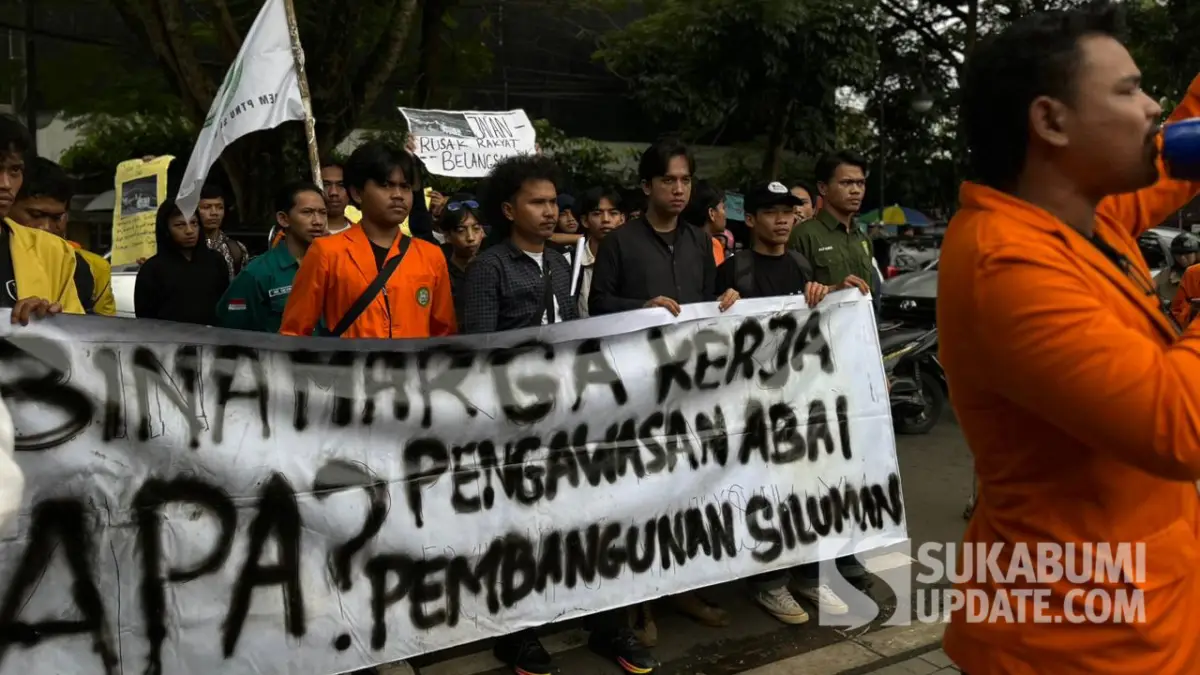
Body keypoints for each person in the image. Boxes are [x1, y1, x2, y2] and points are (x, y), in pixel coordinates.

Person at [939, 4, 1200, 674]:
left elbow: (1179, 156)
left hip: (1146, 616)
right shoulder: (1007, 266)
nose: (1154, 108)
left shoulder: (1083, 217)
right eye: (1129, 90)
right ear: (1051, 121)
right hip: (1074, 641)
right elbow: (1179, 427)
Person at [280, 141, 455, 339]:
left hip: (413, 360)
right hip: (349, 359)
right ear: (357, 193)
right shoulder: (326, 252)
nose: (398, 195)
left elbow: (444, 336)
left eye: (405, 187)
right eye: (385, 185)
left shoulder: (431, 256)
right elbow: (293, 334)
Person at [589, 139, 739, 317]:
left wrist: (724, 299)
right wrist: (642, 307)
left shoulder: (701, 241)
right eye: (669, 180)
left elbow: (708, 298)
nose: (679, 190)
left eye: (686, 180)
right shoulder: (617, 242)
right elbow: (598, 303)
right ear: (647, 186)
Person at [460, 155, 577, 334]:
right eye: (537, 203)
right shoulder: (489, 268)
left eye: (553, 202)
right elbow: (481, 341)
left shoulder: (559, 263)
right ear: (509, 210)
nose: (549, 212)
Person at [0, 114, 84, 322]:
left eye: (15, 170)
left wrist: (52, 322)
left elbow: (77, 333)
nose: (6, 184)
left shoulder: (54, 252)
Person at [216, 182, 328, 332]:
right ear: (283, 219)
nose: (318, 221)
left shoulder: (334, 267)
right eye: (307, 212)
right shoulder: (257, 273)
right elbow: (231, 329)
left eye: (323, 213)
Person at [10, 157, 115, 316]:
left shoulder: (95, 269)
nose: (45, 227)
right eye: (35, 215)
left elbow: (104, 329)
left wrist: (61, 320)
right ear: (8, 205)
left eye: (56, 218)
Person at [134, 199, 230, 325]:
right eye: (180, 225)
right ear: (166, 230)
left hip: (213, 335)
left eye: (194, 223)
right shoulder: (152, 270)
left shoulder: (216, 261)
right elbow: (145, 319)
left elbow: (225, 306)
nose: (189, 230)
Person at [575, 186, 623, 318]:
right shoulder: (569, 262)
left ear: (622, 219)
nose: (606, 219)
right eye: (597, 213)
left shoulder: (636, 259)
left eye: (613, 213)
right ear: (585, 221)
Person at [437, 196, 484, 315]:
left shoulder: (492, 268)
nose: (471, 237)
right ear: (447, 236)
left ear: (483, 232)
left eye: (476, 229)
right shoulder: (440, 273)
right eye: (461, 231)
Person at [196, 183, 248, 279]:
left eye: (220, 207)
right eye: (206, 207)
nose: (214, 213)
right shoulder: (187, 247)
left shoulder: (236, 249)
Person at [682, 179, 730, 264]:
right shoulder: (714, 247)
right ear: (712, 213)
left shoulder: (680, 244)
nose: (726, 215)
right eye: (723, 208)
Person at [1157, 231, 1200, 303]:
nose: (1182, 257)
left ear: (1197, 254)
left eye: (1187, 253)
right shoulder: (1165, 274)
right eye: (1178, 254)